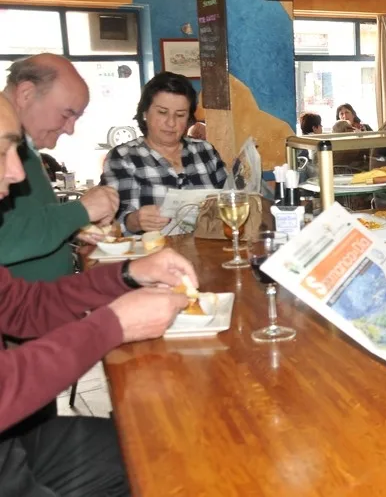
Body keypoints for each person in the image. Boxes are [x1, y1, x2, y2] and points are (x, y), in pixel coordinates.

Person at [0, 92, 195, 496]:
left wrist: (126, 274)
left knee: (167, 451)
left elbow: (22, 307)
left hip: (12, 443)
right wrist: (114, 325)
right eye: (2, 152)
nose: (18, 173)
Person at [0, 54, 120, 282]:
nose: (70, 129)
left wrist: (74, 228)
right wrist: (79, 211)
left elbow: (25, 221)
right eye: (67, 114)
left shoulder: (26, 147)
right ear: (26, 94)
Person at [101, 72, 228, 235]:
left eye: (180, 115)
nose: (171, 123)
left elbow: (228, 199)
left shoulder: (205, 151)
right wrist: (134, 221)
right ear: (145, 113)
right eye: (162, 112)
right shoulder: (124, 157)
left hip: (208, 253)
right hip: (151, 255)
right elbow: (113, 223)